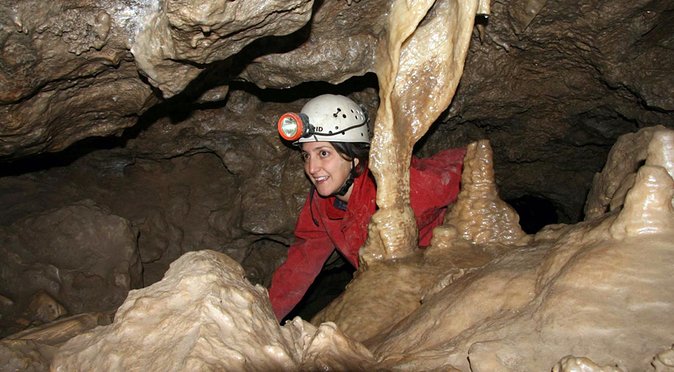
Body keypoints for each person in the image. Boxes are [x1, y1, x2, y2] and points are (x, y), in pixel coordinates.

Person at [269, 94, 465, 321]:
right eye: (306, 156)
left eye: (323, 153)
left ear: (353, 155)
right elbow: (298, 267)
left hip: (447, 291)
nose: (312, 168)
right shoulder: (323, 205)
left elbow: (463, 165)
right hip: (392, 300)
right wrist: (265, 317)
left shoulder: (396, 187)